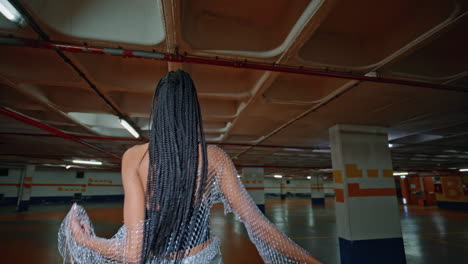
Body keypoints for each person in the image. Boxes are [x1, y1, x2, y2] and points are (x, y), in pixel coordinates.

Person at [58, 70, 322, 264]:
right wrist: (311, 261)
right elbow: (259, 225)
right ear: (192, 109)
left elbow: (132, 254)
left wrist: (86, 241)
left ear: (157, 108)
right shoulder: (213, 159)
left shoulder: (134, 159)